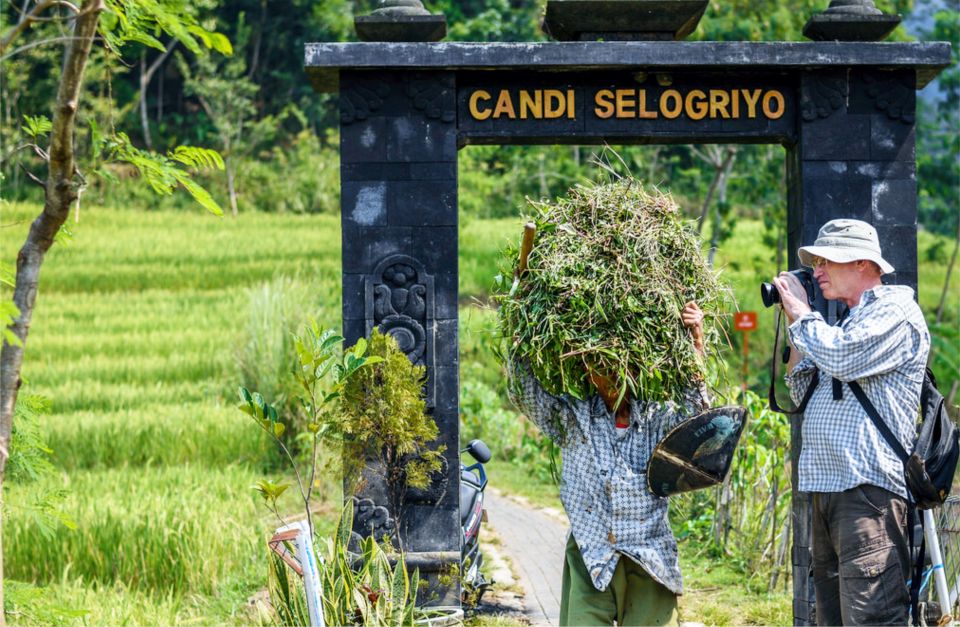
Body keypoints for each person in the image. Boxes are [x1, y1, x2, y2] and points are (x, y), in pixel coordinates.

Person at [508, 302, 708, 627]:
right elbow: (525, 392)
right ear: (587, 370)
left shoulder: (657, 419)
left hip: (648, 553)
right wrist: (523, 324)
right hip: (592, 551)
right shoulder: (573, 419)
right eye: (598, 365)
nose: (610, 375)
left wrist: (696, 343)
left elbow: (698, 414)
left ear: (637, 367)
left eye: (619, 365)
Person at [773, 218, 930, 626]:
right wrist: (795, 323)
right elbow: (798, 384)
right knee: (832, 619)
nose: (818, 271)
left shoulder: (895, 310)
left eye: (827, 261)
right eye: (816, 263)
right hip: (829, 488)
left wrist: (804, 313)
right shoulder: (843, 322)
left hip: (867, 494)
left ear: (863, 263)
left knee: (871, 618)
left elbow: (843, 358)